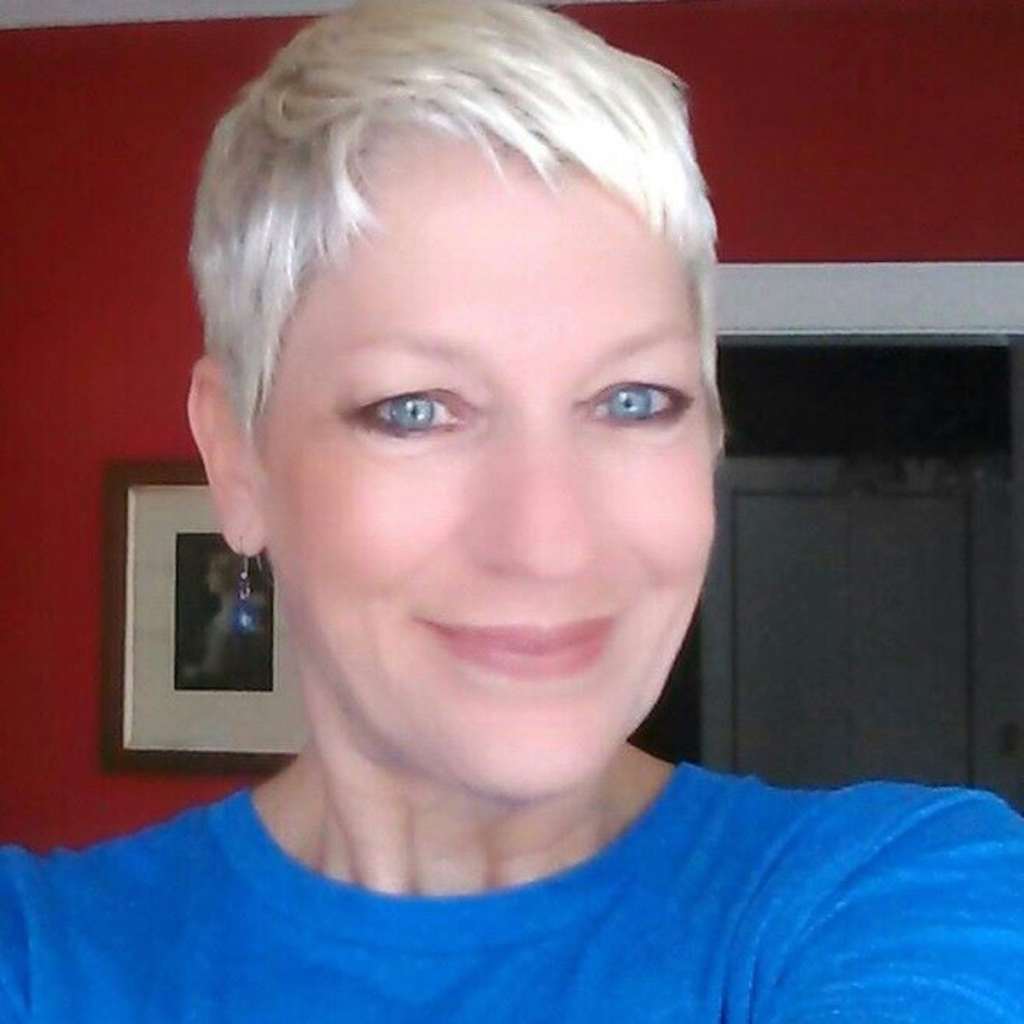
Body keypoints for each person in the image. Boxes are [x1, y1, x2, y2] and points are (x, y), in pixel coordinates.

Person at [2, 1, 1022, 1020]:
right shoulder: (40, 958)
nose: (548, 542)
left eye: (633, 401)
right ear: (237, 459)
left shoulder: (898, 896)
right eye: (416, 410)